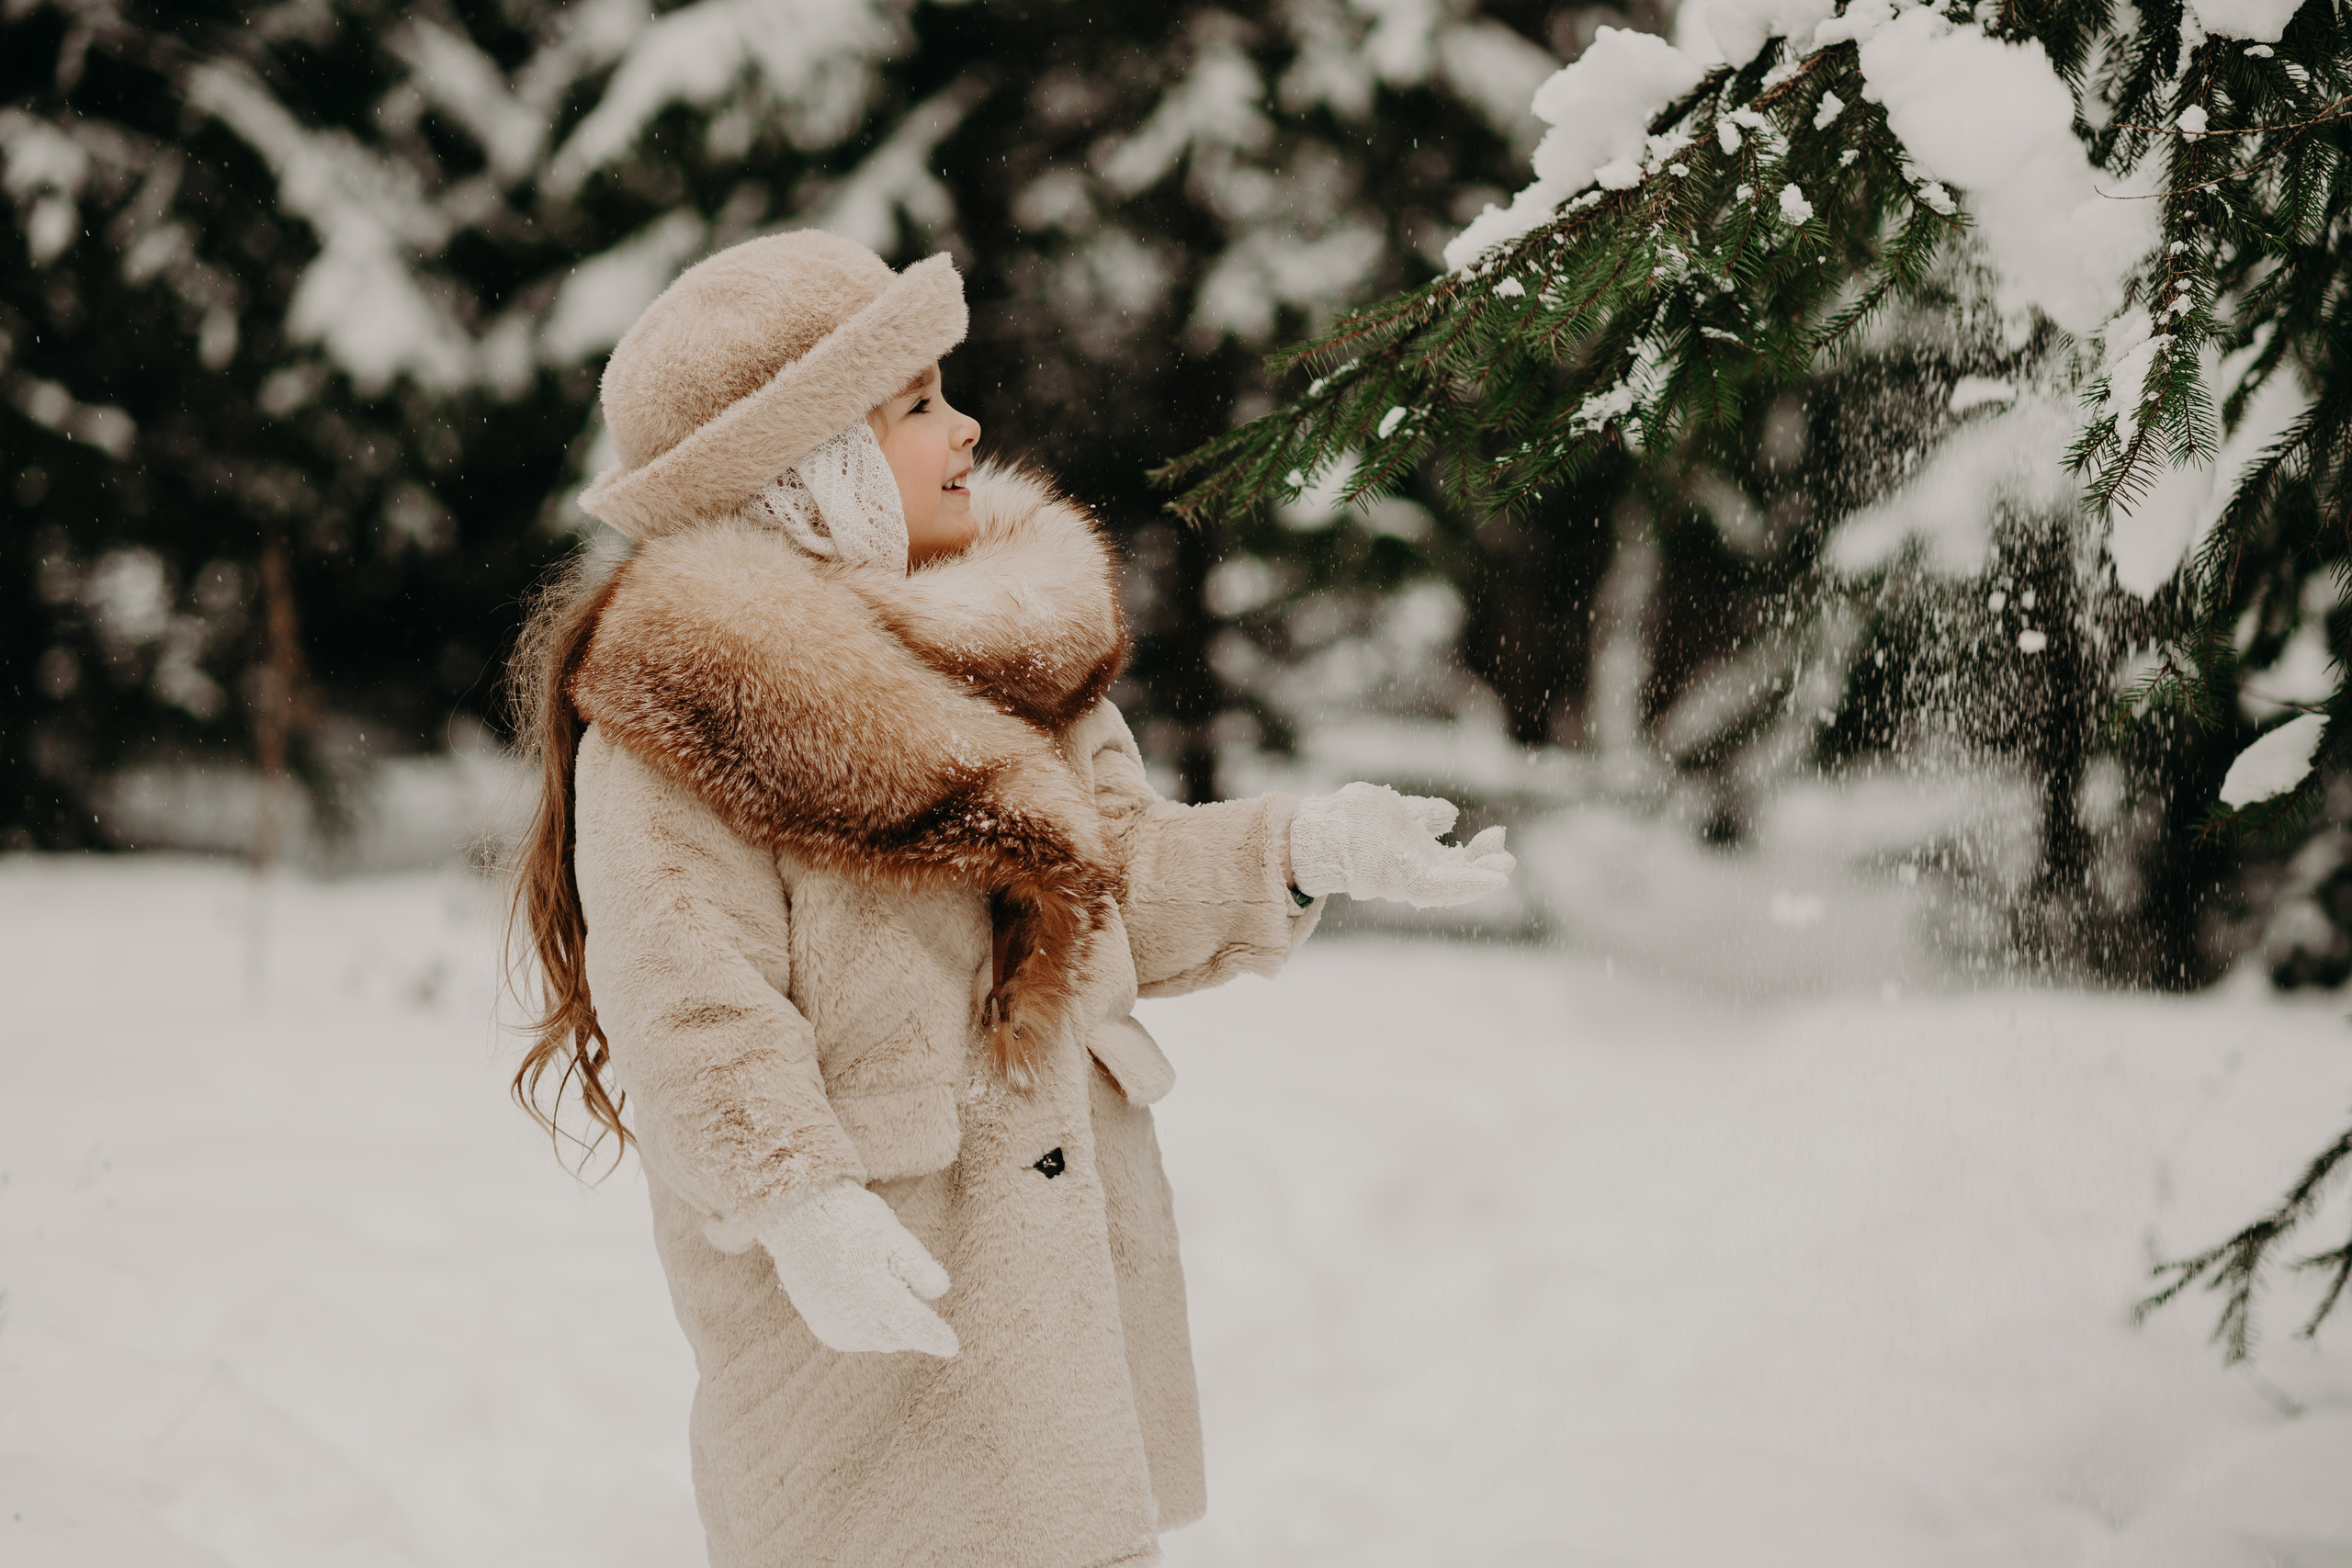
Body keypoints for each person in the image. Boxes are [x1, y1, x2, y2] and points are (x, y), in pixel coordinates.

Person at [507, 230, 1516, 1568]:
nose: (968, 425)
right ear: (805, 470)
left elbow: (1114, 883)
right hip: (866, 1320)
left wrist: (1298, 847)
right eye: (918, 406)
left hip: (1049, 1310)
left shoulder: (1016, 655)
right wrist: (801, 1207)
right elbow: (688, 999)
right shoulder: (686, 722)